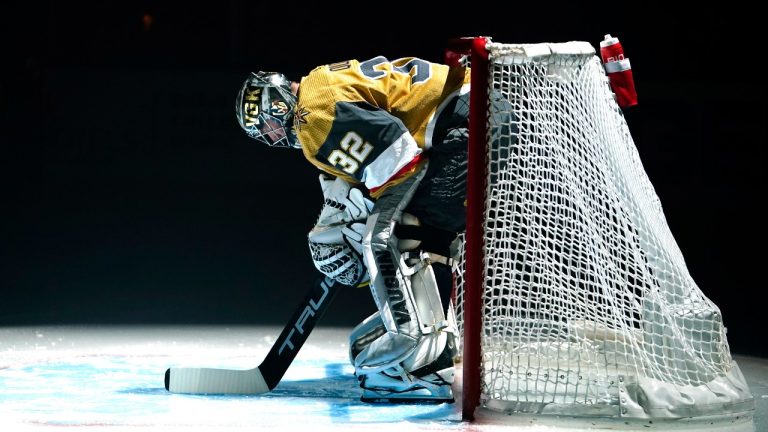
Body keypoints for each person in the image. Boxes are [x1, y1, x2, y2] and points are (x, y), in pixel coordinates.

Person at [235, 56, 471, 403]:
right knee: (414, 229)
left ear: (278, 100)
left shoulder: (310, 119)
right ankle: (435, 345)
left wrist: (364, 216)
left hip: (465, 122)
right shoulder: (316, 85)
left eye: (268, 125)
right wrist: (352, 205)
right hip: (467, 112)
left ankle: (419, 361)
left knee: (386, 239)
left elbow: (399, 157)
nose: (274, 136)